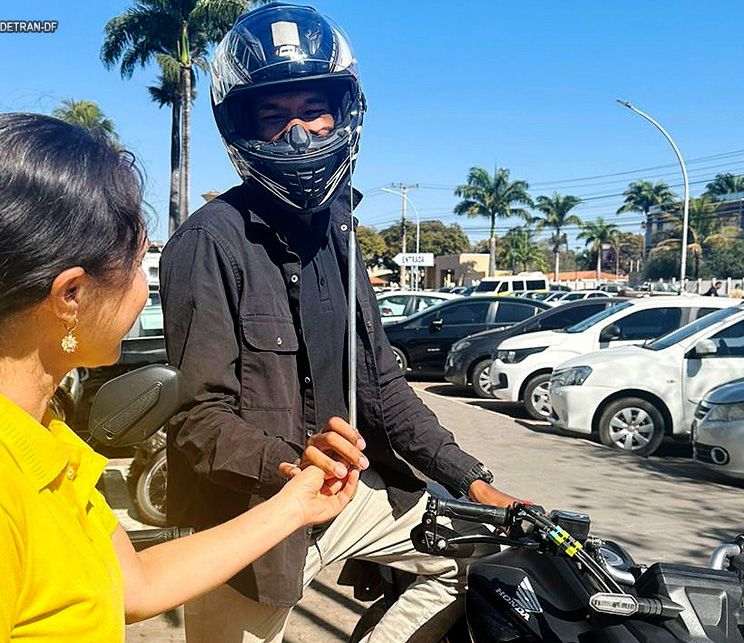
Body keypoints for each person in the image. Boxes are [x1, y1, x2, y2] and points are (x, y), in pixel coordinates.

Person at [0, 113, 358, 641]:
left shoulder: (29, 433)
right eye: (137, 261)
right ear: (71, 296)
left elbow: (135, 585)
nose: (144, 286)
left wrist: (295, 505)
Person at [160, 5, 521, 642]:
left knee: (473, 553)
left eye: (312, 110)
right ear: (241, 128)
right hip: (250, 519)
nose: (297, 134)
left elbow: (382, 385)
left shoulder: (341, 239)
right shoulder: (208, 243)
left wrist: (471, 480)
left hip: (343, 499)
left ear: (344, 112)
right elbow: (198, 421)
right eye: (273, 116)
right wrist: (293, 463)